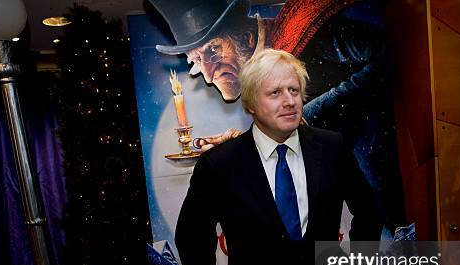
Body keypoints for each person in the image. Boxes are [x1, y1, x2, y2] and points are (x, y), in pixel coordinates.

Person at [175, 48, 380, 265]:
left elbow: (369, 210)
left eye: (294, 91)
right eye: (275, 93)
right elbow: (192, 235)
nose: (289, 102)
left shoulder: (331, 147)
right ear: (251, 104)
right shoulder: (220, 166)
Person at [150, 0, 404, 231]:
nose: (207, 75)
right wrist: (244, 146)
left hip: (402, 171)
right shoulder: (259, 92)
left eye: (213, 51)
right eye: (195, 59)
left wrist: (310, 117)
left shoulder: (305, 33)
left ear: (248, 39)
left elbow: (385, 53)